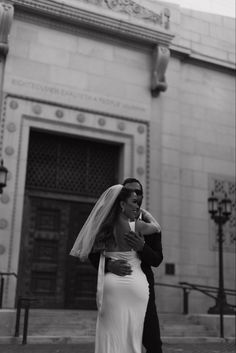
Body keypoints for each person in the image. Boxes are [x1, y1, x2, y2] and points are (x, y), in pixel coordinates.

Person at [70, 184, 160, 353]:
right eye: (133, 201)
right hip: (137, 284)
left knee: (110, 333)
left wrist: (109, 263)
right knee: (132, 335)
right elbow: (157, 227)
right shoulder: (138, 226)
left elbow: (91, 253)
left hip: (112, 285)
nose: (137, 205)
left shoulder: (103, 228)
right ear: (121, 204)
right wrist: (147, 214)